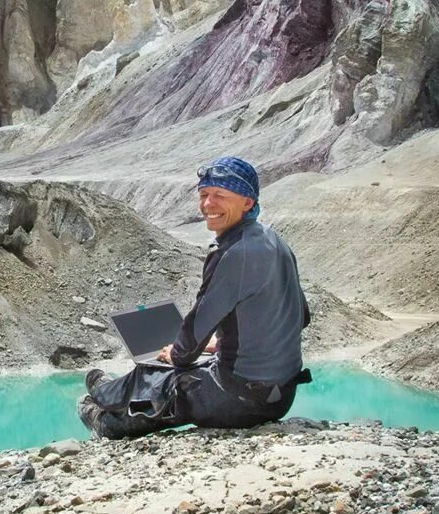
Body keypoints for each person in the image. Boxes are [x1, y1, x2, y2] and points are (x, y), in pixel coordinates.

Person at [77, 156, 311, 439]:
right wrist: (228, 345)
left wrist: (176, 354)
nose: (207, 204)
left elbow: (196, 330)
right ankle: (110, 393)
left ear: (247, 202)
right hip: (282, 395)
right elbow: (302, 316)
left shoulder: (233, 253)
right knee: (188, 369)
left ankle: (104, 414)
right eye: (204, 195)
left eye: (219, 196)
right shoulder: (275, 240)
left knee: (166, 379)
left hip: (242, 400)